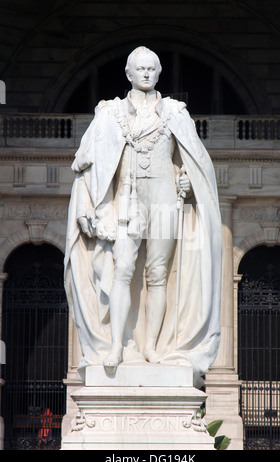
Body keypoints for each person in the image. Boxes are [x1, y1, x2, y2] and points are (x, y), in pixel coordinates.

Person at [64, 46, 222, 388]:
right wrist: (86, 209)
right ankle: (118, 346)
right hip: (127, 200)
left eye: (152, 68)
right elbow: (84, 165)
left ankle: (151, 346)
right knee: (122, 268)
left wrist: (188, 180)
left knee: (157, 273)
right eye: (140, 68)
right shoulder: (109, 114)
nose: (147, 73)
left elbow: (197, 163)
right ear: (129, 74)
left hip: (165, 200)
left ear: (159, 72)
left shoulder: (176, 113)